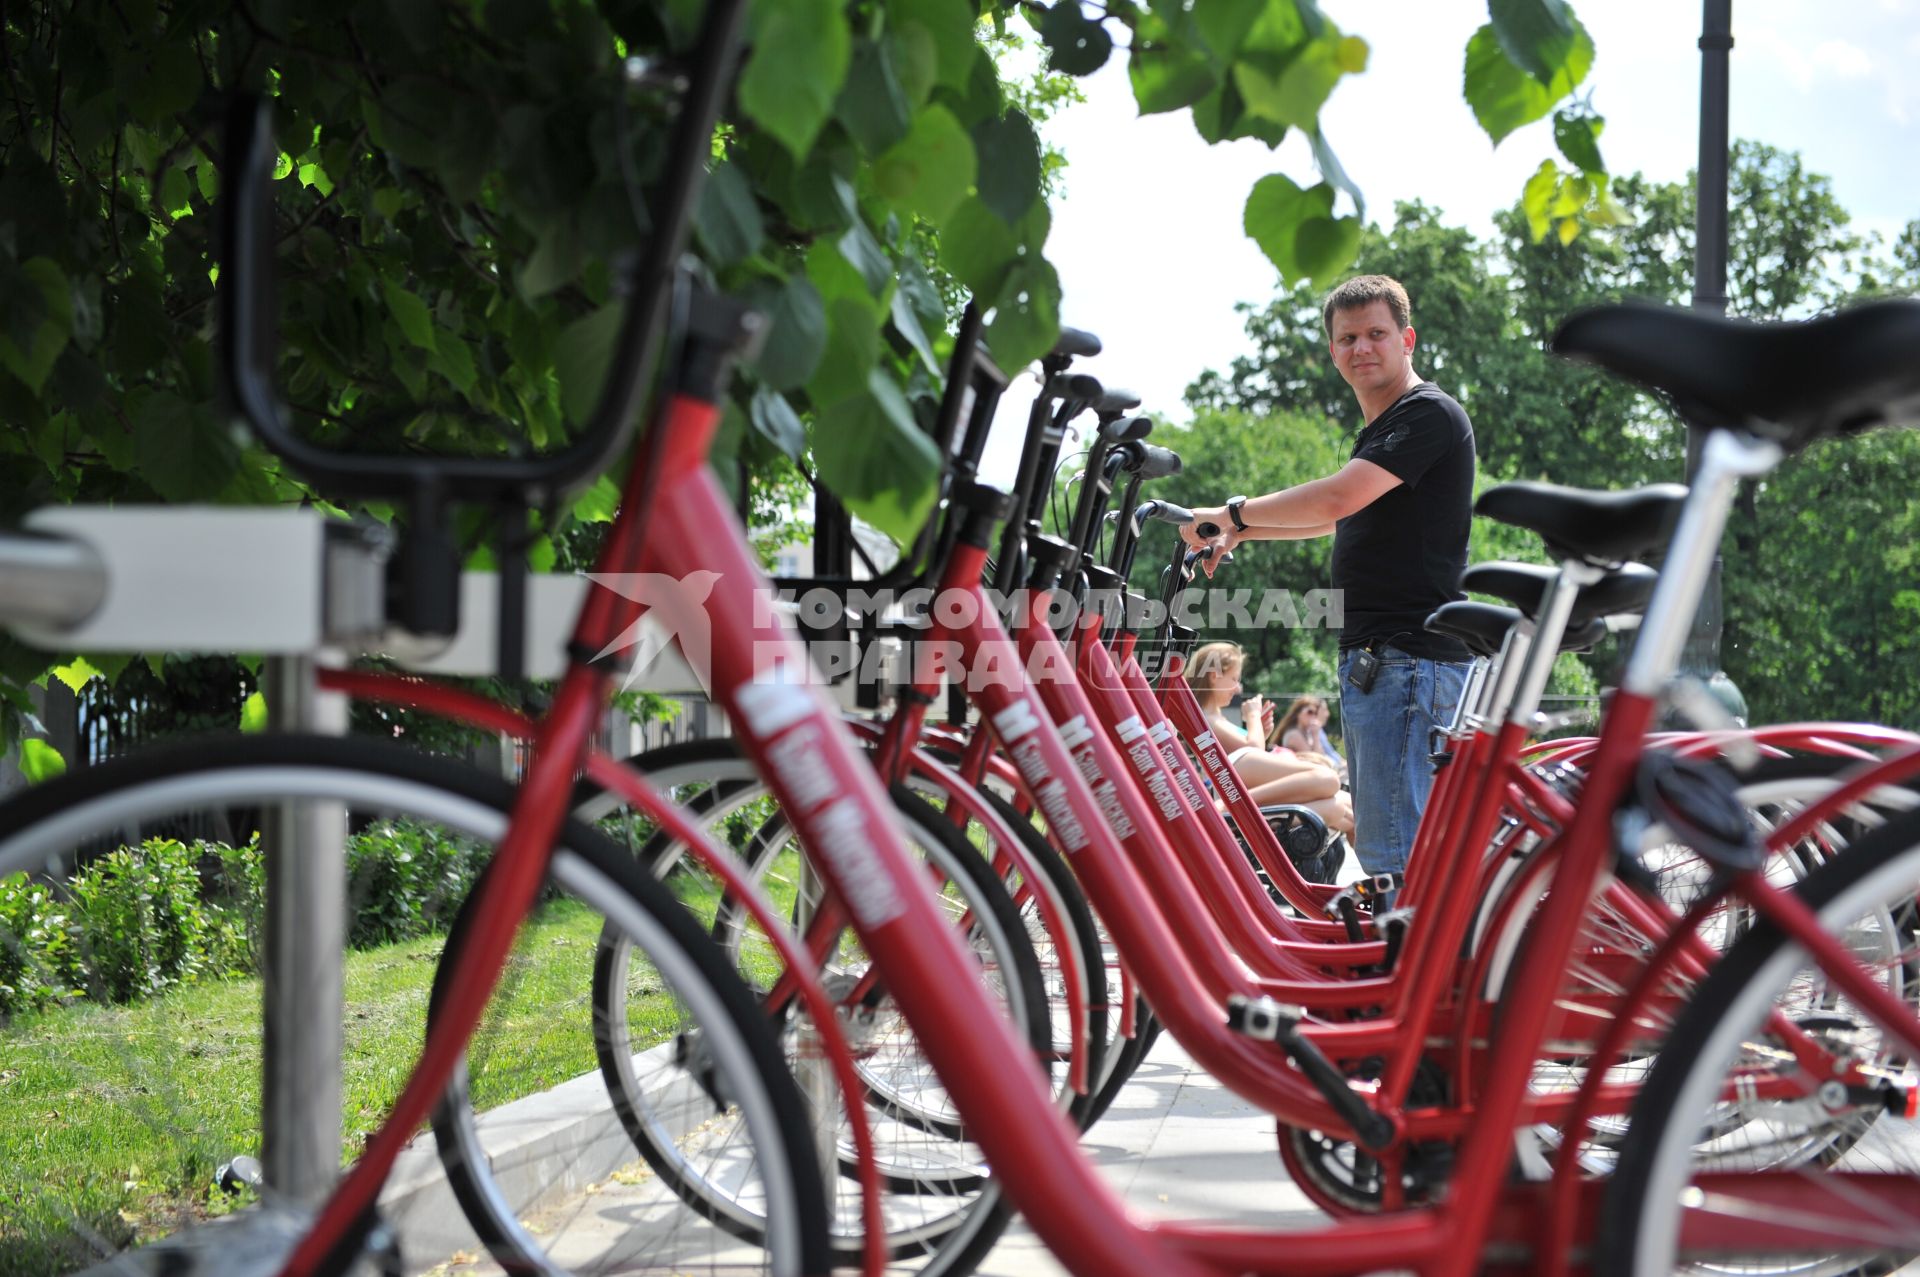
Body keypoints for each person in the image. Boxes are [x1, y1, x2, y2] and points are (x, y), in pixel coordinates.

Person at [1181, 274, 1474, 882]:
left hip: (1406, 657)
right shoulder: (1382, 432)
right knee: (1392, 840)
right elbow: (1327, 523)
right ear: (1332, 351)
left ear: (1407, 338)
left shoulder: (1427, 414)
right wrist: (1243, 532)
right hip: (1385, 659)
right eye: (1347, 338)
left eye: (1376, 334)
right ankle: (1412, 964)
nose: (1362, 348)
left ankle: (1407, 973)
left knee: (1394, 851)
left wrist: (1232, 514)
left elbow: (1334, 500)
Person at [1184, 641, 1354, 836]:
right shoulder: (1207, 719)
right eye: (1234, 679)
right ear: (1214, 676)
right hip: (1230, 782)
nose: (1238, 688)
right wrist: (1253, 717)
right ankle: (1227, 807)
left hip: (1241, 775)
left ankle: (1383, 865)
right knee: (1328, 780)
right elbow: (1252, 749)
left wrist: (1260, 731)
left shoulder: (1214, 717)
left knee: (1341, 806)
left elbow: (1250, 750)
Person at [1275, 696, 1347, 784]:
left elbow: (1321, 756)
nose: (1313, 716)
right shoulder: (1294, 734)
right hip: (1301, 779)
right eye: (1309, 712)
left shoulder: (1306, 732)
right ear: (1298, 713)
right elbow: (1316, 760)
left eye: (1315, 713)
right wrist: (1316, 736)